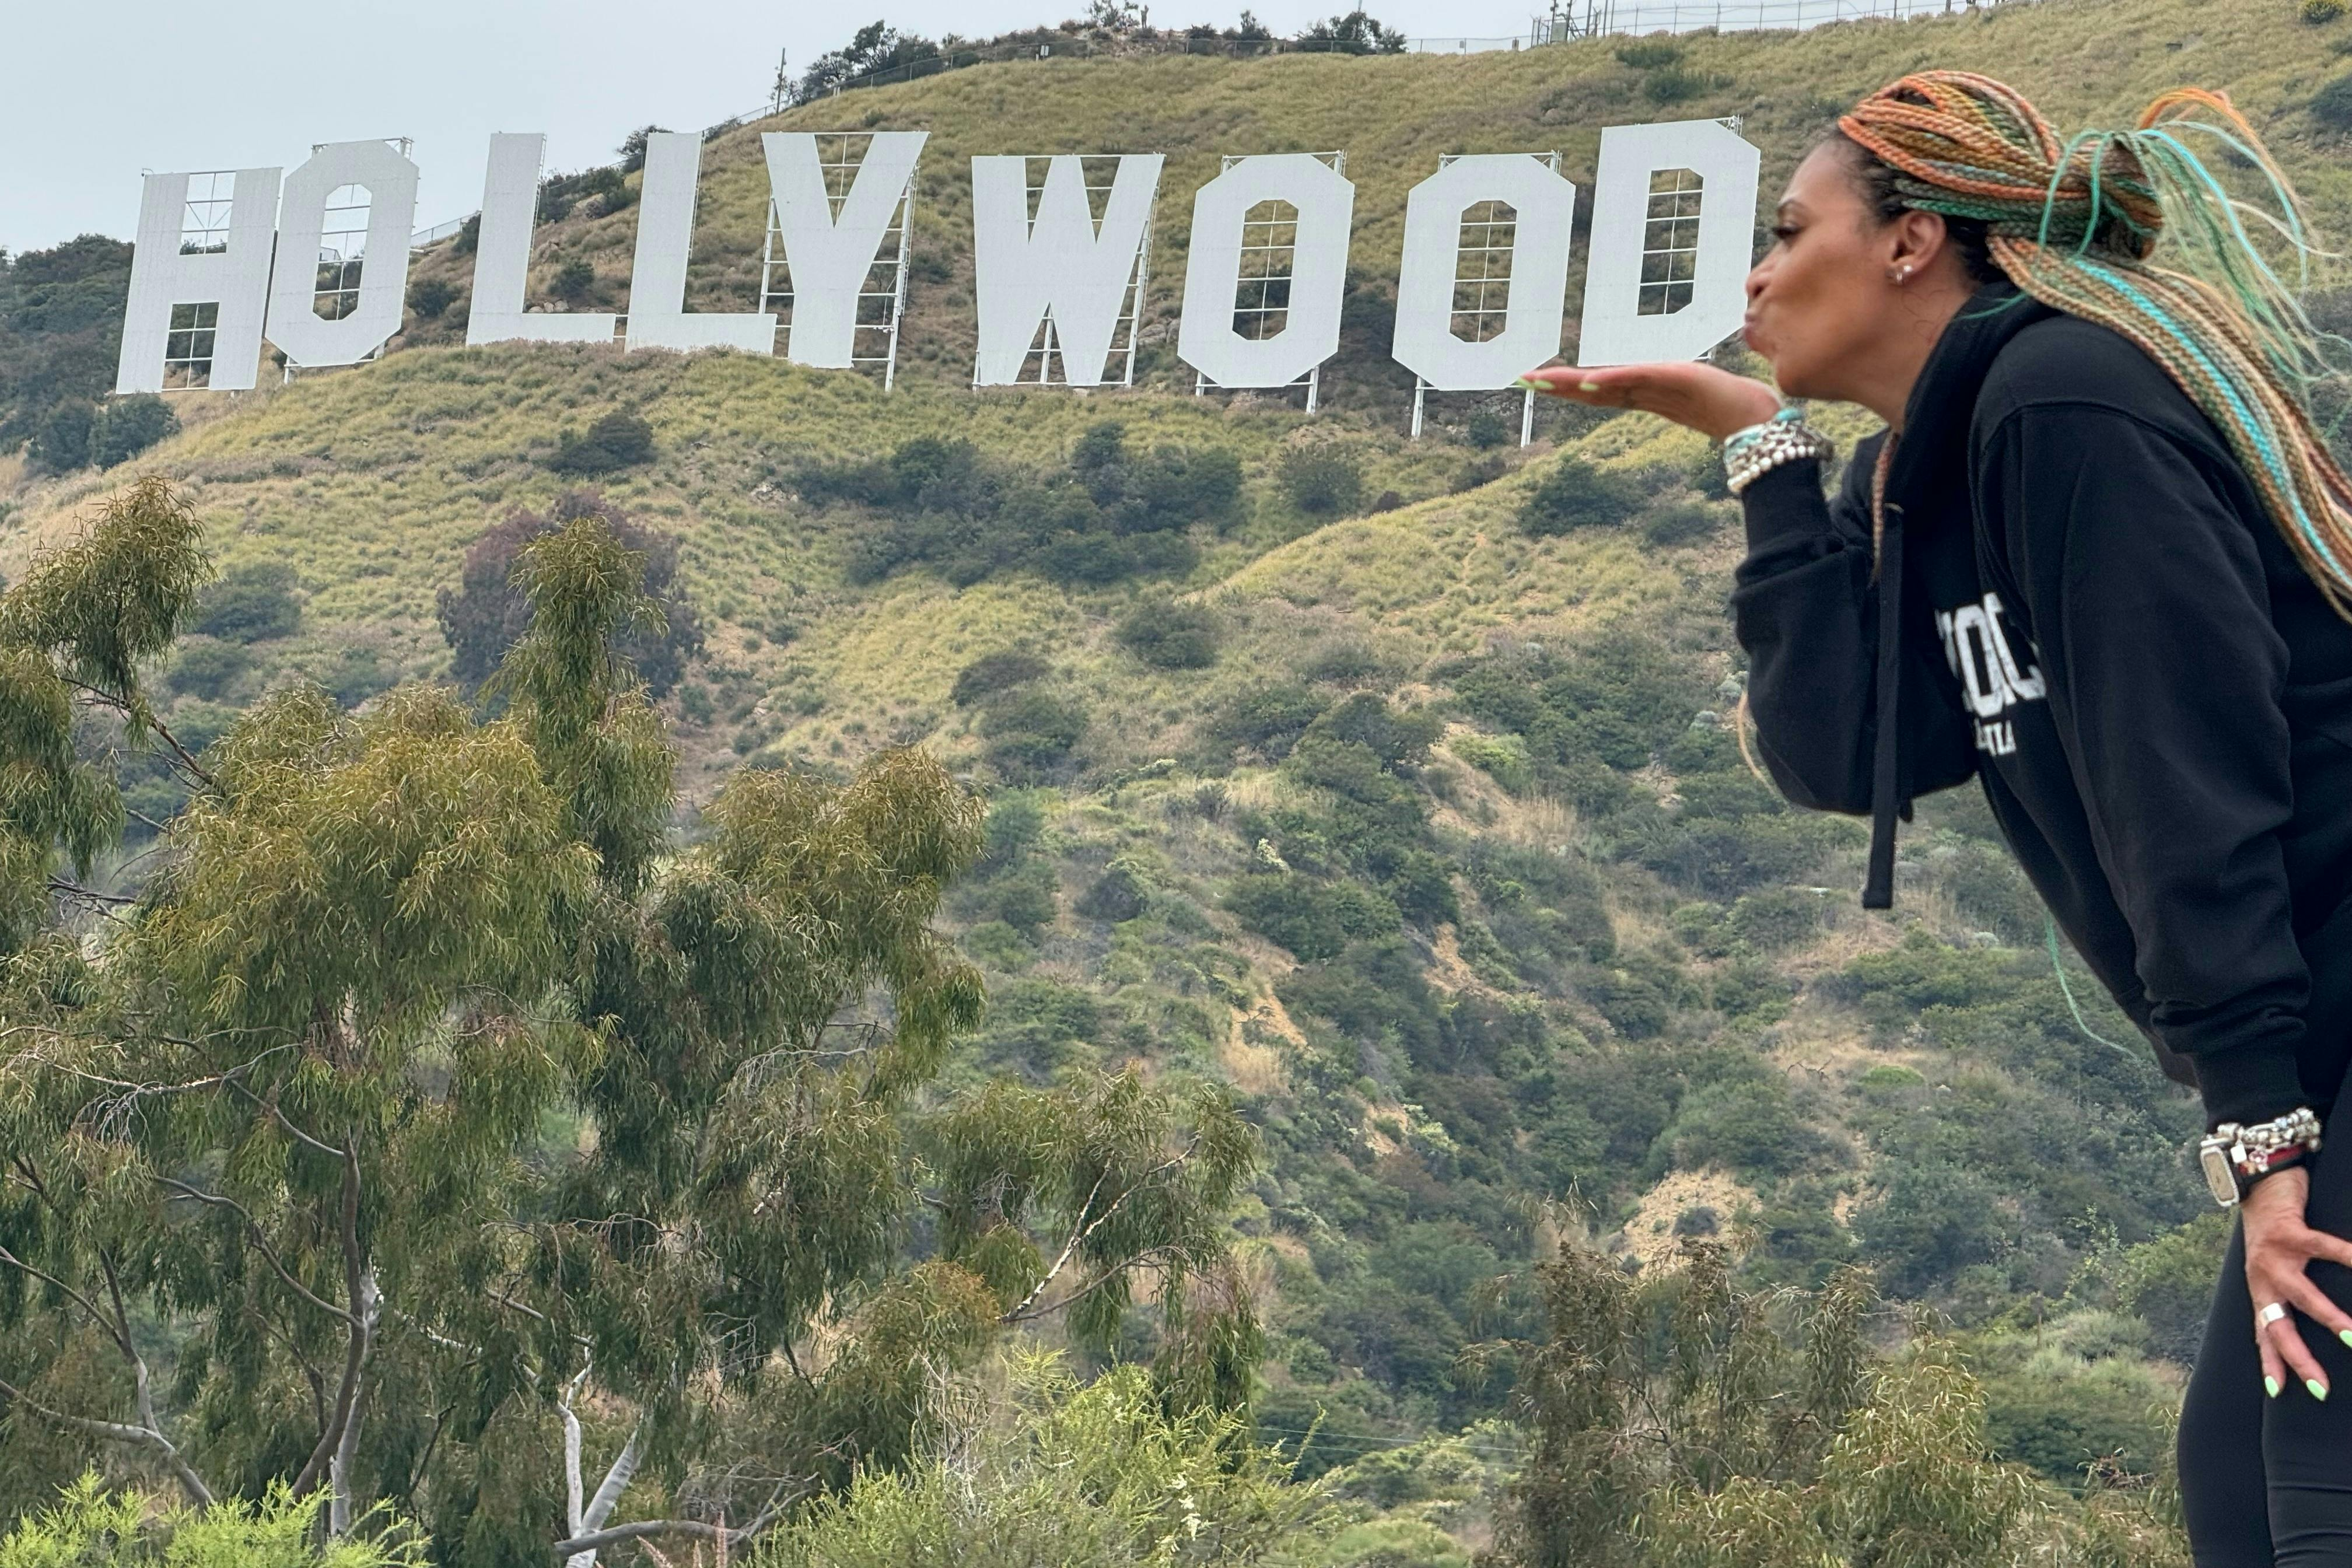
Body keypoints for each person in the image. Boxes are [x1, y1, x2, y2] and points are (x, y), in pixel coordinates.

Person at [1522, 71, 2352, 1563]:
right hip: (2323, 1038)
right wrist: (1764, 454)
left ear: (1909, 240)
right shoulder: (1921, 471)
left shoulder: (2065, 404)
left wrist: (2261, 1134)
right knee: (2246, 1495)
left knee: (2307, 1494)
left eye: (1789, 230)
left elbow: (2186, 778)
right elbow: (1845, 750)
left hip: (2319, 1044)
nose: (1757, 275)